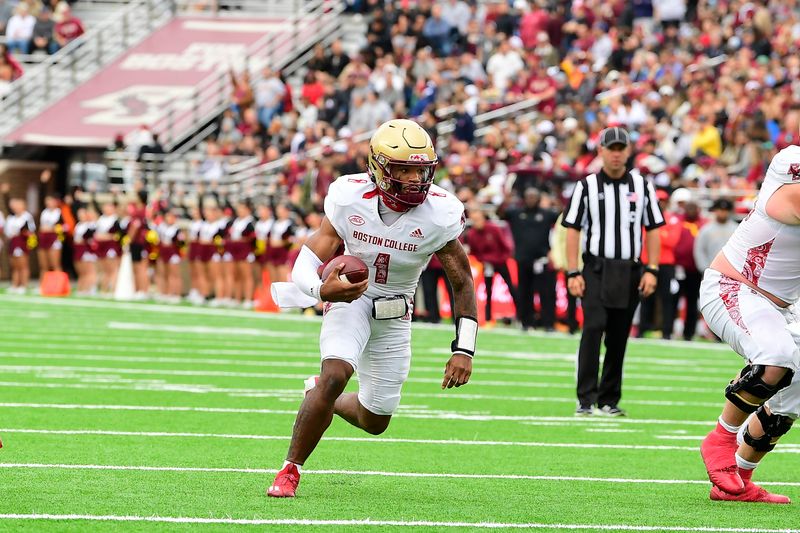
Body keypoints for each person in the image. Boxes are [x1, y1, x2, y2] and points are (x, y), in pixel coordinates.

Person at [267, 119, 477, 498]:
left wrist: (464, 349)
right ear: (379, 168)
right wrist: (322, 290)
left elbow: (462, 279)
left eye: (421, 169)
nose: (415, 179)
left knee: (375, 419)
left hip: (396, 312)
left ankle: (319, 394)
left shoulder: (440, 212)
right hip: (351, 299)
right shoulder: (349, 196)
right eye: (404, 169)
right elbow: (306, 259)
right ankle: (289, 471)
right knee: (335, 374)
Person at [698, 144, 800, 504]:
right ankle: (720, 440)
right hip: (735, 287)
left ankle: (740, 478)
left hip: (781, 306)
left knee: (793, 394)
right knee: (776, 358)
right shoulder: (789, 178)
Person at [561, 126, 664, 416]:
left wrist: (652, 269)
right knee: (593, 328)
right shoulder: (586, 186)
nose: (616, 154)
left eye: (621, 149)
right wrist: (573, 272)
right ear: (601, 151)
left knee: (619, 335)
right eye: (611, 148)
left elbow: (653, 228)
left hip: (630, 270)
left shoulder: (642, 186)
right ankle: (585, 399)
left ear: (628, 152)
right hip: (595, 268)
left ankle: (609, 399)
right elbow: (572, 229)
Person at [501, 187, 560, 331]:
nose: (531, 199)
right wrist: (506, 200)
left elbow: (562, 217)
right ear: (524, 198)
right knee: (524, 292)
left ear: (539, 199)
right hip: (523, 260)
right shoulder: (516, 213)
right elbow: (500, 213)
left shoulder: (546, 214)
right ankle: (526, 322)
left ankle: (548, 323)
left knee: (546, 293)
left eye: (534, 197)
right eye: (529, 197)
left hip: (541, 260)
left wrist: (555, 200)